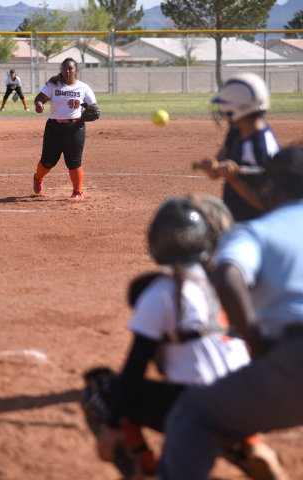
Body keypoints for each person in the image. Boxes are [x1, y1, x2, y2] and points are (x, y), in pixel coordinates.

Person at [82, 194, 288, 480]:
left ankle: (145, 466)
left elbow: (135, 366)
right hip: (249, 399)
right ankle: (248, 442)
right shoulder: (228, 284)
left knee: (101, 388)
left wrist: (113, 425)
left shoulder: (162, 293)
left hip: (197, 404)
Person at [159, 147, 303, 480]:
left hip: (294, 357)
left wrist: (254, 339)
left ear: (272, 188)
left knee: (193, 413)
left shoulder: (256, 231)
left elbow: (227, 275)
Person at [197, 73, 279, 221]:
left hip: (255, 226)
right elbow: (216, 171)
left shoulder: (261, 147)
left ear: (237, 107)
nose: (221, 110)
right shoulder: (237, 130)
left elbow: (267, 203)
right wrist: (212, 166)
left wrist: (233, 178)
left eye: (223, 105)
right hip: (235, 218)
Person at [33, 57, 100, 200]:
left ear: (76, 71)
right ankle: (38, 179)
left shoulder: (84, 87)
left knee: (74, 161)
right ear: (61, 70)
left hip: (75, 127)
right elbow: (39, 97)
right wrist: (39, 104)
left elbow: (95, 107)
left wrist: (94, 111)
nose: (67, 71)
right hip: (54, 127)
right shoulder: (53, 85)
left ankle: (77, 192)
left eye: (70, 68)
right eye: (64, 68)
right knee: (48, 161)